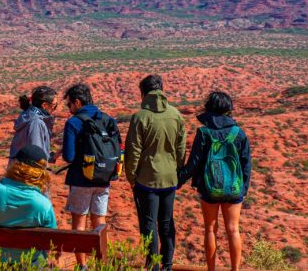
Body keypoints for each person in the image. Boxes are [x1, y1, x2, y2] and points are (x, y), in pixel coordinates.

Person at [178, 91, 251, 271]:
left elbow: (194, 163)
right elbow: (246, 164)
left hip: (209, 188)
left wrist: (178, 180)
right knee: (233, 229)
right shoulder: (239, 133)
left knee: (210, 229)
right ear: (228, 109)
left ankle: (212, 269)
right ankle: (235, 269)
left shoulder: (204, 133)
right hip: (234, 188)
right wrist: (243, 189)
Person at [124, 74, 186, 271]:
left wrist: (131, 176)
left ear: (143, 93)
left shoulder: (140, 117)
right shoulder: (176, 115)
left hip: (146, 180)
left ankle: (153, 266)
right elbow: (181, 149)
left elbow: (133, 150)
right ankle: (168, 265)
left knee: (149, 224)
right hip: (170, 178)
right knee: (166, 222)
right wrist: (177, 170)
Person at [61, 83, 120, 267]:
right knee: (99, 222)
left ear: (77, 102)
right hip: (104, 179)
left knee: (79, 223)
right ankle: (101, 264)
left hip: (81, 179)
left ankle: (82, 266)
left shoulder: (74, 122)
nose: (69, 109)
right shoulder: (107, 118)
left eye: (69, 105)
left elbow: (69, 156)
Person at [10, 86, 58, 165]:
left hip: (18, 170)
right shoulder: (36, 123)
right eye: (54, 105)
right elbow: (35, 155)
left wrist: (52, 156)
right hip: (27, 173)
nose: (55, 107)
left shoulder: (27, 114)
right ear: (44, 105)